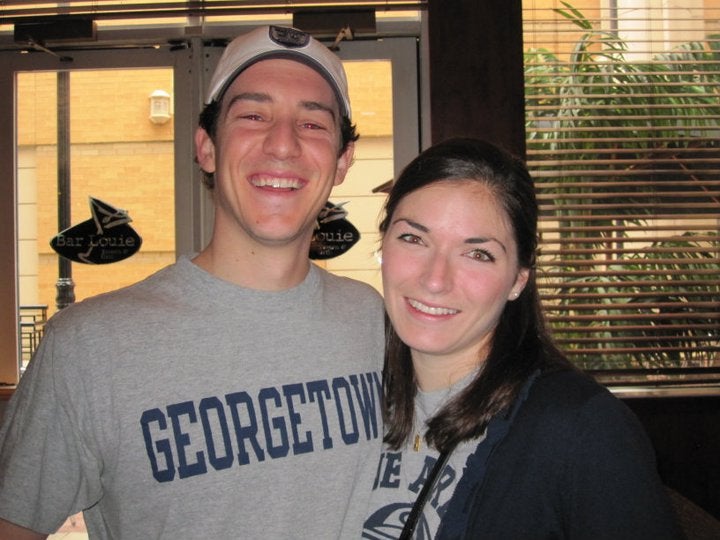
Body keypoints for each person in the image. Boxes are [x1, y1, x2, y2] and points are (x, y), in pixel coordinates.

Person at [0, 25, 385, 539]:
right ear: (206, 147)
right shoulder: (90, 347)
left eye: (313, 124)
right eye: (253, 115)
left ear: (342, 162)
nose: (283, 144)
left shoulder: (375, 320)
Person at [360, 138, 683, 539]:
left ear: (518, 279)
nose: (434, 279)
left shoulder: (582, 429)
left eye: (477, 254)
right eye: (413, 238)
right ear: (384, 244)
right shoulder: (347, 400)